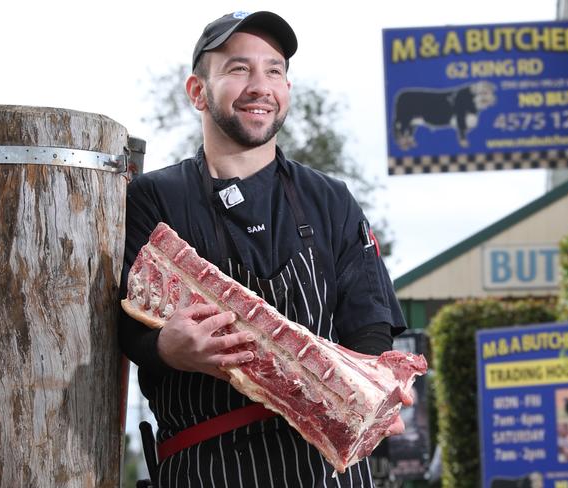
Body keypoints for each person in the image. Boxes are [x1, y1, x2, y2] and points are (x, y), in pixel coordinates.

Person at [119, 10, 409, 488]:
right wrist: (166, 349)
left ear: (287, 92)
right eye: (238, 69)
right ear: (197, 91)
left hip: (325, 468)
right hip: (205, 465)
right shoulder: (155, 198)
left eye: (274, 71)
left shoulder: (329, 198)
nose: (261, 86)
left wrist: (375, 391)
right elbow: (122, 325)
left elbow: (369, 321)